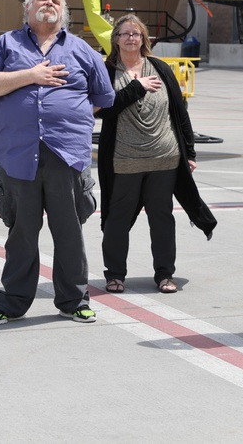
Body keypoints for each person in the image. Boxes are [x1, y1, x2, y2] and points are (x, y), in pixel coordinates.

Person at [0, 0, 115, 325]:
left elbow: (104, 97)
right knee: (21, 232)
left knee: (68, 231)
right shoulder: (7, 44)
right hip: (18, 154)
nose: (49, 2)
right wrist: (31, 76)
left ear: (63, 11)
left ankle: (75, 301)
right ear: (28, 7)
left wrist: (70, 116)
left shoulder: (82, 49)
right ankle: (11, 304)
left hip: (65, 154)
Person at [96, 15, 217, 295]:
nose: (131, 38)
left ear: (144, 39)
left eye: (136, 34)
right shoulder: (106, 71)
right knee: (117, 218)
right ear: (115, 39)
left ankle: (164, 274)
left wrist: (189, 152)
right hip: (124, 160)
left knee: (161, 217)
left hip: (164, 157)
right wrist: (136, 88)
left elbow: (180, 113)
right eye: (125, 34)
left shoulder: (161, 69)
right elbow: (104, 109)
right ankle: (115, 275)